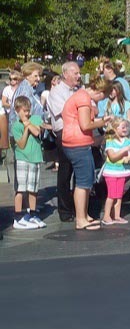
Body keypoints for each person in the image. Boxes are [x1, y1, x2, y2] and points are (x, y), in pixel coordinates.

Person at [61, 76, 109, 230]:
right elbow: (85, 124)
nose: (100, 101)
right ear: (100, 92)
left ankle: (85, 215)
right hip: (77, 144)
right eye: (103, 97)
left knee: (87, 181)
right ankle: (80, 219)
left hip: (77, 143)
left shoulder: (81, 96)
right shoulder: (83, 98)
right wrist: (103, 121)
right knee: (83, 183)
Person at [46, 62, 82, 222]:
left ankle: (80, 207)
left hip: (80, 132)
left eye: (79, 73)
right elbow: (65, 112)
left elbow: (90, 107)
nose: (79, 76)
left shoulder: (79, 90)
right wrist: (81, 109)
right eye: (76, 73)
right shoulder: (56, 91)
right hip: (65, 133)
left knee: (80, 172)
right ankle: (65, 210)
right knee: (65, 172)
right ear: (66, 74)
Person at [10, 96, 46, 230]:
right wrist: (25, 128)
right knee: (21, 188)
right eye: (24, 111)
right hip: (22, 158)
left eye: (28, 110)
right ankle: (18, 216)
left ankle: (32, 213)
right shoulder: (15, 126)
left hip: (35, 158)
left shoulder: (35, 119)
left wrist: (28, 123)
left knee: (33, 188)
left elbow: (37, 132)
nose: (27, 113)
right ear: (17, 110)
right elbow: (21, 144)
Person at [100, 118, 130, 225]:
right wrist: (124, 151)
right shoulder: (110, 141)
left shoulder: (127, 141)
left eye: (126, 127)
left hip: (122, 171)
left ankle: (116, 216)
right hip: (111, 172)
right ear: (115, 129)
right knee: (111, 195)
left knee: (119, 195)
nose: (125, 129)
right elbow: (112, 157)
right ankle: (106, 216)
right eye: (123, 127)